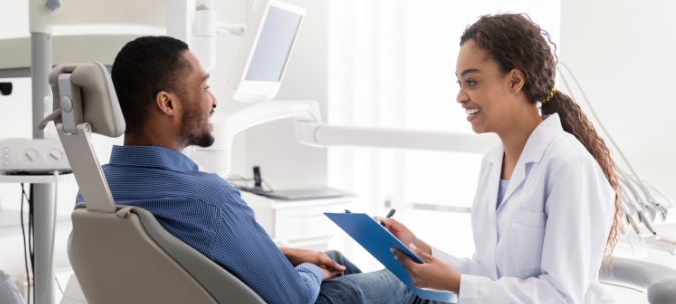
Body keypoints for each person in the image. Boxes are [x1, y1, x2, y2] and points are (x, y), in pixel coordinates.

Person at [75, 36, 449, 304]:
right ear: (167, 103)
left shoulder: (95, 194)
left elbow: (186, 254)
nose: (213, 99)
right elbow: (295, 297)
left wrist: (290, 255)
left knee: (333, 255)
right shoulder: (210, 200)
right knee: (412, 280)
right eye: (204, 87)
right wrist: (314, 273)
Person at [378, 14, 620, 303]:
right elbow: (490, 275)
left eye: (471, 81)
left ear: (515, 81)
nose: (460, 96)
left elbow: (561, 296)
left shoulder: (569, 165)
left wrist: (458, 285)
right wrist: (419, 249)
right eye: (459, 83)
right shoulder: (492, 163)